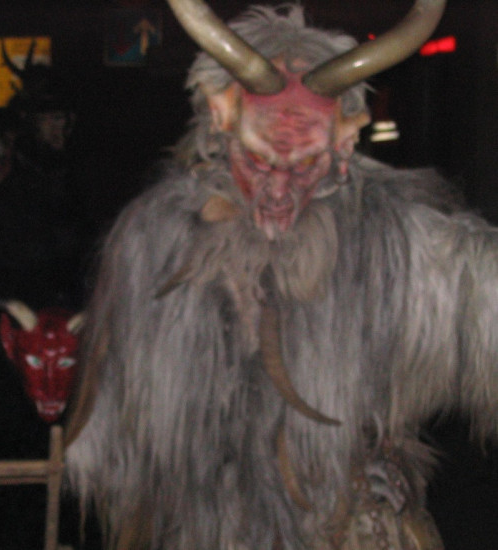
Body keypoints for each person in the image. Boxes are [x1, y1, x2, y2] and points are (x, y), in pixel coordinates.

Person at [63, 1, 490, 549]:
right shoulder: (154, 239)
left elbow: (478, 291)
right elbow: (116, 441)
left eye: (304, 165)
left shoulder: (385, 235)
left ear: (342, 147)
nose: (279, 193)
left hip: (338, 518)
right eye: (260, 162)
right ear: (220, 126)